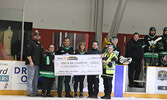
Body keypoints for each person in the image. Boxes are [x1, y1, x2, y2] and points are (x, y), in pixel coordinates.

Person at [25, 31, 43, 96]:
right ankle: (29, 92)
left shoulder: (40, 44)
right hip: (31, 64)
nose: (37, 36)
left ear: (40, 37)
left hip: (37, 64)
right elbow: (28, 53)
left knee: (36, 79)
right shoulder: (30, 43)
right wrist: (31, 62)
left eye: (38, 35)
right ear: (34, 36)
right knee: (30, 78)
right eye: (36, 35)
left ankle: (35, 92)